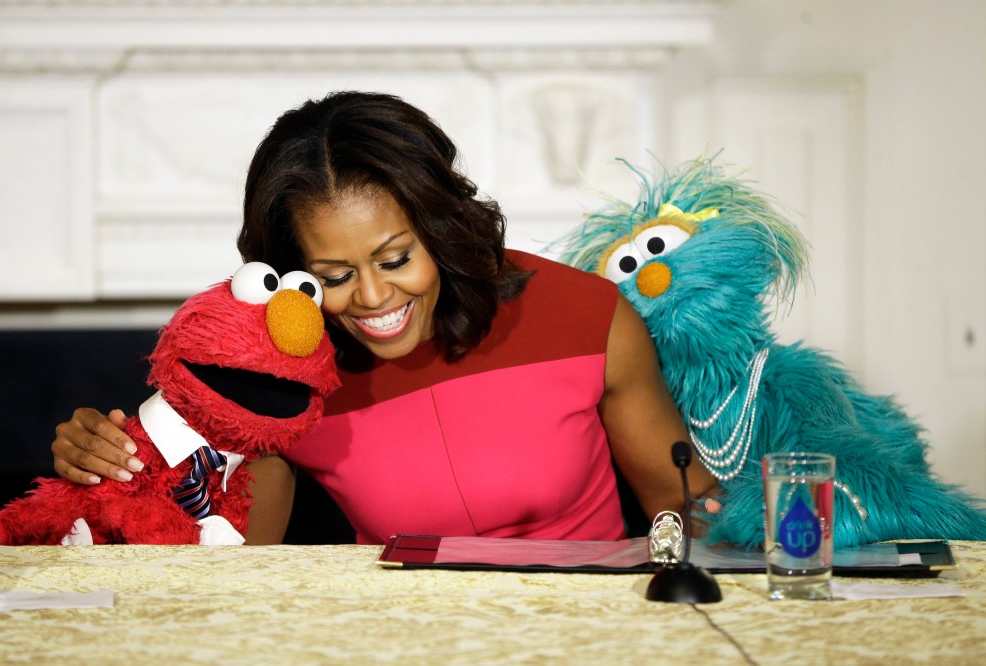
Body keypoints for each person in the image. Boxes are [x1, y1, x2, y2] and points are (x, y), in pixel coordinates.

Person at [50, 90, 717, 545]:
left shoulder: (585, 316)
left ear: (441, 231)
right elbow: (210, 545)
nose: (372, 299)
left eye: (396, 259)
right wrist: (101, 452)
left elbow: (687, 507)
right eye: (335, 277)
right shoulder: (280, 372)